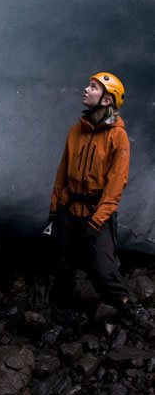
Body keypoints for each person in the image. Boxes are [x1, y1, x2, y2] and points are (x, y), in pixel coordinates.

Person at [44, 72, 151, 339]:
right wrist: (54, 211)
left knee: (103, 269)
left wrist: (96, 221)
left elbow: (116, 184)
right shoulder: (75, 131)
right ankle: (60, 320)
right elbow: (62, 173)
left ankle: (132, 310)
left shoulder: (118, 137)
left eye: (93, 88)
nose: (86, 89)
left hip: (97, 214)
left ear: (106, 100)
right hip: (70, 211)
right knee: (63, 267)